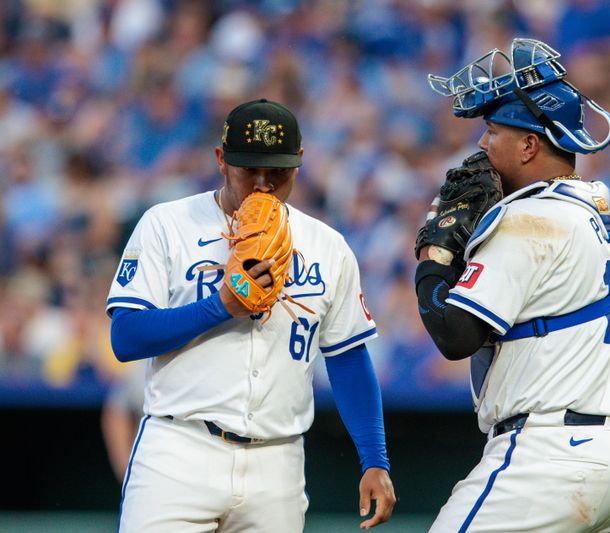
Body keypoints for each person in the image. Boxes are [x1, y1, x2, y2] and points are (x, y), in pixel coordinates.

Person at [106, 98, 396, 532]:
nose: (262, 185)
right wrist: (219, 306)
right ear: (221, 160)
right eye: (249, 170)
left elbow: (348, 356)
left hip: (276, 462)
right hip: (179, 448)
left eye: (276, 172)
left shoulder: (327, 246)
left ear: (298, 164)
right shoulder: (167, 224)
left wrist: (375, 458)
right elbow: (126, 338)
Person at [416, 39, 610, 532]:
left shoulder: (527, 220)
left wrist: (434, 256)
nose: (483, 146)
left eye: (493, 131)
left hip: (545, 458)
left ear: (530, 144)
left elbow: (454, 336)